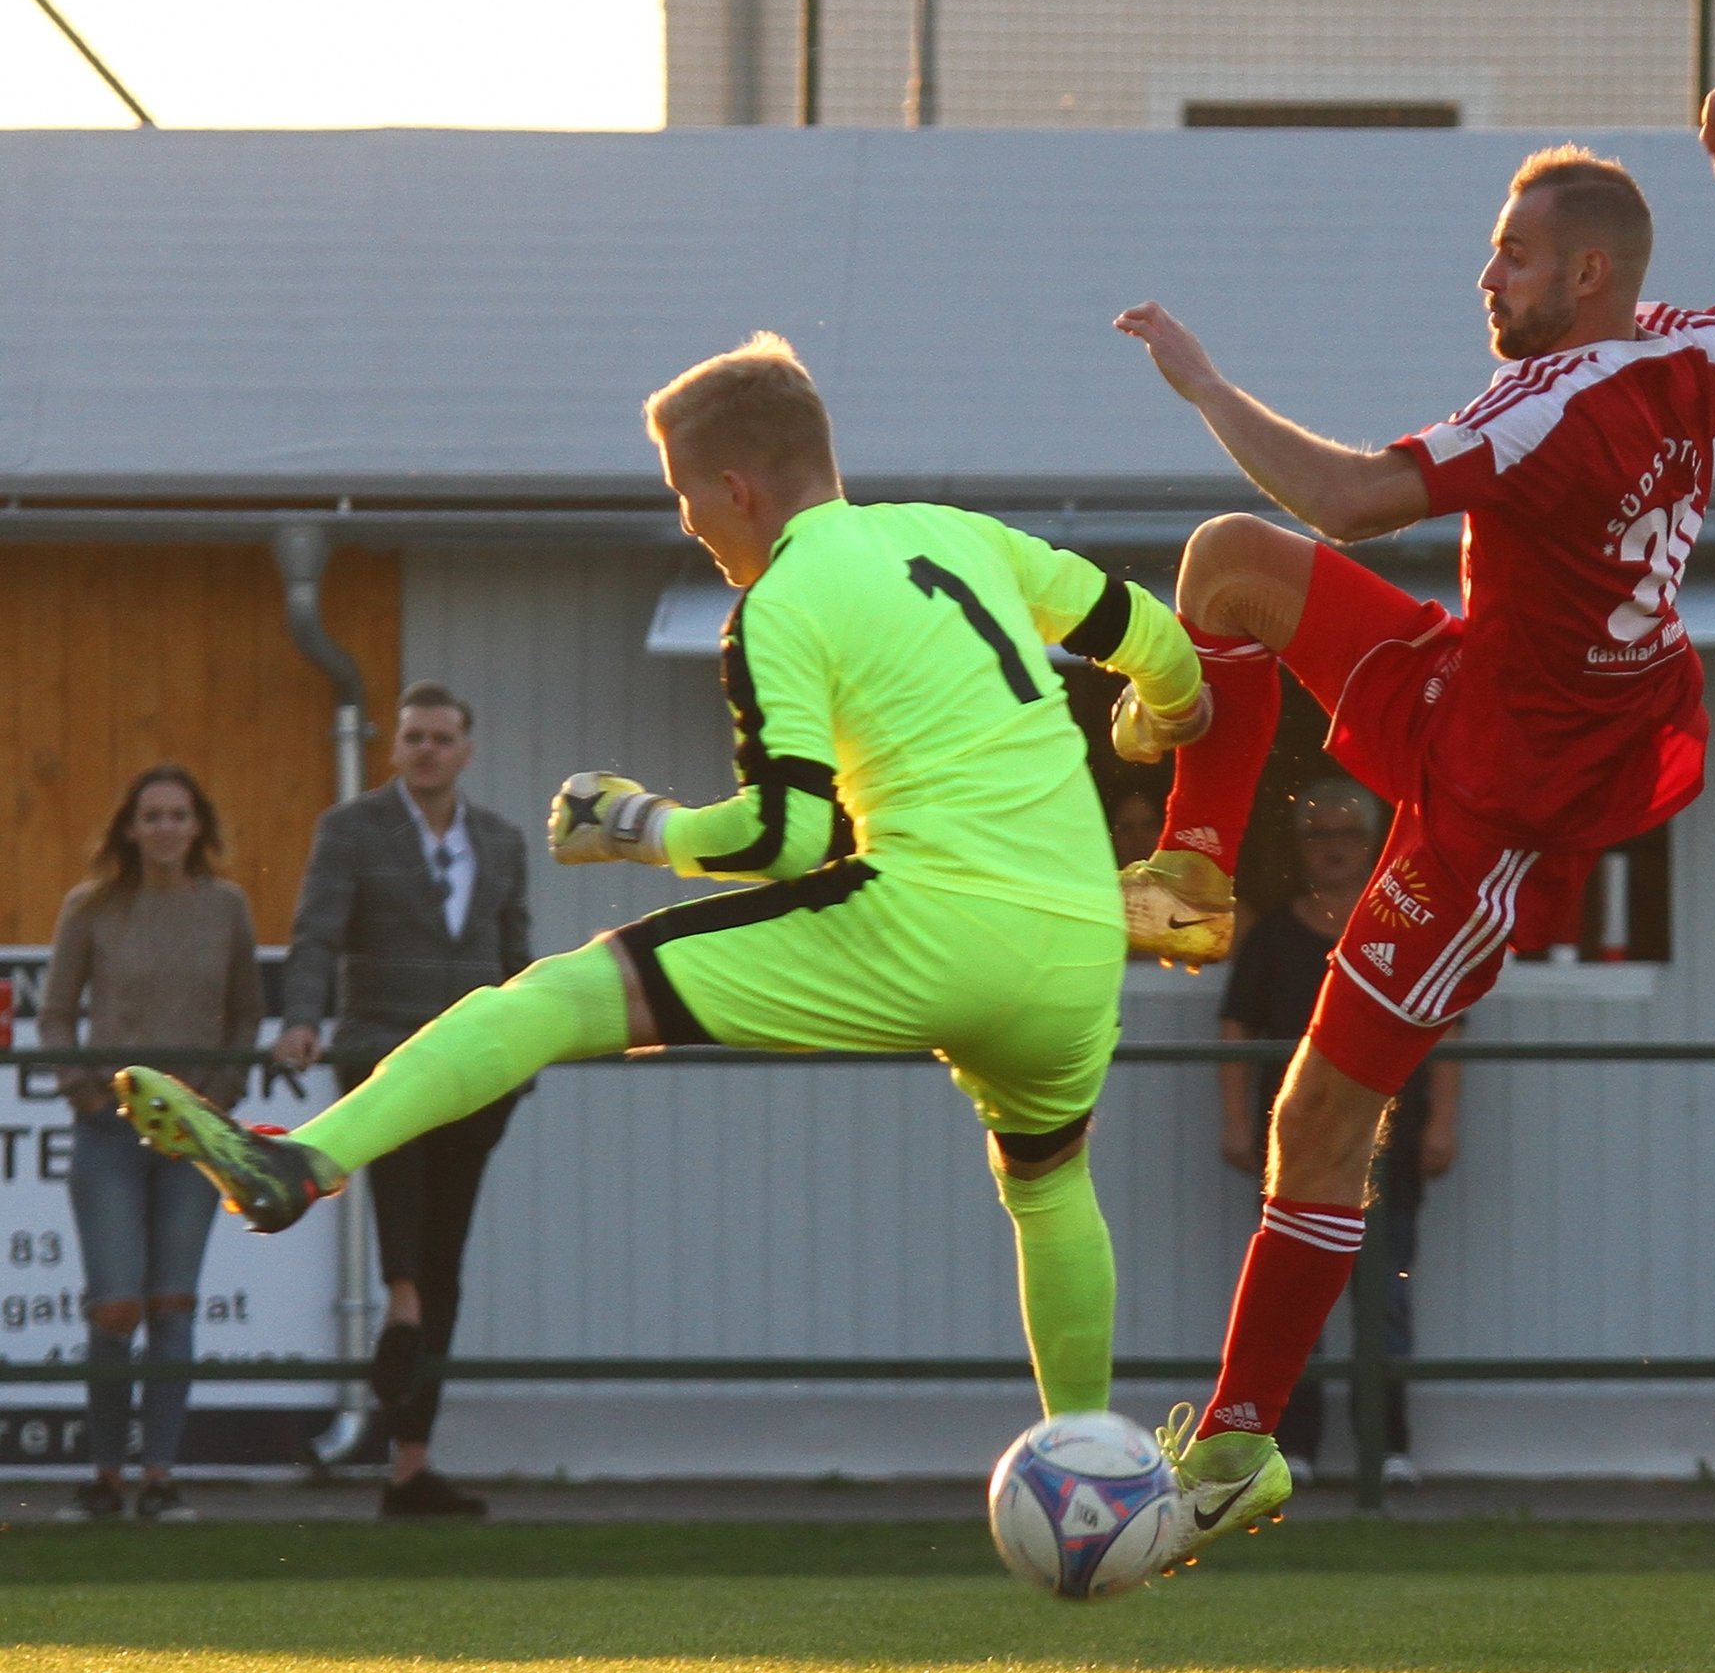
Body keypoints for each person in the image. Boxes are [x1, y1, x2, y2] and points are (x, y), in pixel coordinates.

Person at [116, 331, 1204, 1443]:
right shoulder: (964, 538)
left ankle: (304, 1159)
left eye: (685, 494)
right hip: (1077, 948)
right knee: (1048, 1186)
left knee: (551, 1001)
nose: (685, 520)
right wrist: (1156, 720)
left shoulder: (777, 605)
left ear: (735, 489)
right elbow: (1164, 648)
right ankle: (1089, 1461)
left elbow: (790, 839)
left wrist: (640, 825)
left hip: (930, 928)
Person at [1112, 74, 1715, 1556]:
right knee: (1223, 562)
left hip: (1489, 818)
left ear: (1584, 274)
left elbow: (1353, 498)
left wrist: (1200, 380)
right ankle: (1191, 863)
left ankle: (1239, 1442)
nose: (1485, 273)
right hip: (1463, 685)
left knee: (1317, 1121)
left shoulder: (1543, 404)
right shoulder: (1685, 352)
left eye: (1509, 252)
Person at [269, 681, 532, 1518]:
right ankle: (401, 1302)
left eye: (441, 737)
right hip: (383, 1051)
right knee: (406, 1216)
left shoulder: (501, 839)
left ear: (466, 749)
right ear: (395, 749)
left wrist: (531, 1049)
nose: (426, 749)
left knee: (446, 1254)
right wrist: (303, 1017)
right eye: (414, 736)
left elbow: (516, 952)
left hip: (478, 1067)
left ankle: (410, 1466)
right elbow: (315, 934)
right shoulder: (350, 830)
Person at [1217, 779, 1460, 1487]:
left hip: (1391, 1149)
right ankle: (1290, 1449)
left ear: (1373, 843)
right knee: (1297, 1302)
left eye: (1348, 834)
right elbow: (1236, 1028)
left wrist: (1443, 1120)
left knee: (1385, 1298)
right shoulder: (1273, 937)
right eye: (1318, 834)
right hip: (1298, 1153)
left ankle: (1386, 1450)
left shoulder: (1405, 926)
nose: (1333, 848)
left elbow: (1447, 1024)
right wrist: (1236, 1122)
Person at [39, 765, 262, 1523]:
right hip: (108, 1129)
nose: (165, 829)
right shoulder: (90, 907)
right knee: (114, 1308)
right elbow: (56, 1014)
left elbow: (245, 1016)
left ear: (197, 826)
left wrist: (218, 1104)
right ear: (129, 829)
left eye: (178, 816)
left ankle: (161, 1478)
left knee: (173, 1304)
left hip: (191, 1136)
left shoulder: (227, 907)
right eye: (151, 817)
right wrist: (84, 1092)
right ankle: (103, 1477)